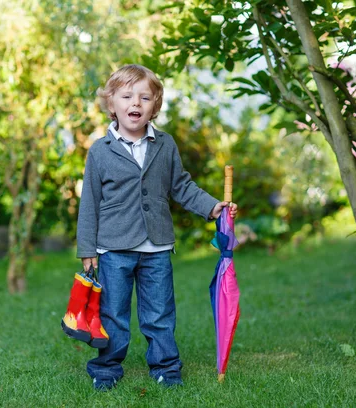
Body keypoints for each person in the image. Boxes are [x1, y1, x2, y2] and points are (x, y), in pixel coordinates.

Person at [76, 64, 238, 391]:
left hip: (156, 248)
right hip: (113, 249)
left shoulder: (164, 145)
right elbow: (90, 202)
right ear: (112, 104)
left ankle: (166, 368)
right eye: (126, 96)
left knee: (160, 314)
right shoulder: (100, 151)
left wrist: (212, 206)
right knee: (112, 316)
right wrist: (87, 250)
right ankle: (106, 369)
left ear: (155, 105)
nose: (135, 103)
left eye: (145, 97)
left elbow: (181, 185)